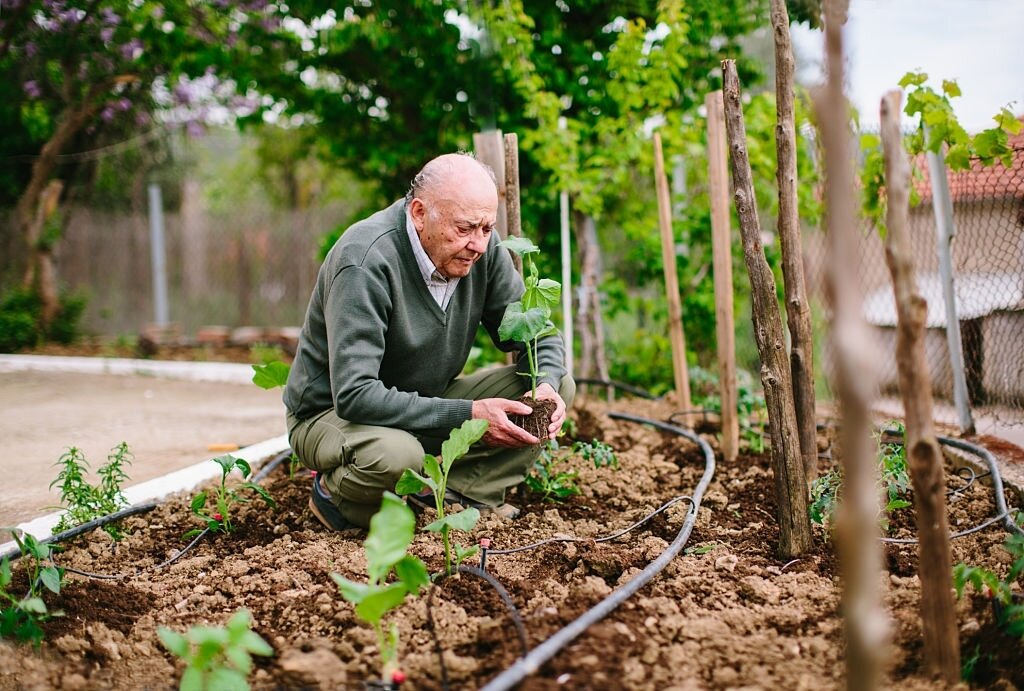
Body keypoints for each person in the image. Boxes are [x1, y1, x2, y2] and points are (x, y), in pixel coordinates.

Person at [284, 152, 575, 531]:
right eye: (465, 228)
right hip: (334, 415)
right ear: (420, 213)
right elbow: (355, 395)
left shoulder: (479, 252)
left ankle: (457, 493)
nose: (479, 244)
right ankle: (336, 497)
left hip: (425, 398)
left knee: (549, 388)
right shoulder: (365, 261)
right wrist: (470, 415)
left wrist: (547, 383)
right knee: (395, 454)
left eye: (487, 229)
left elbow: (537, 336)